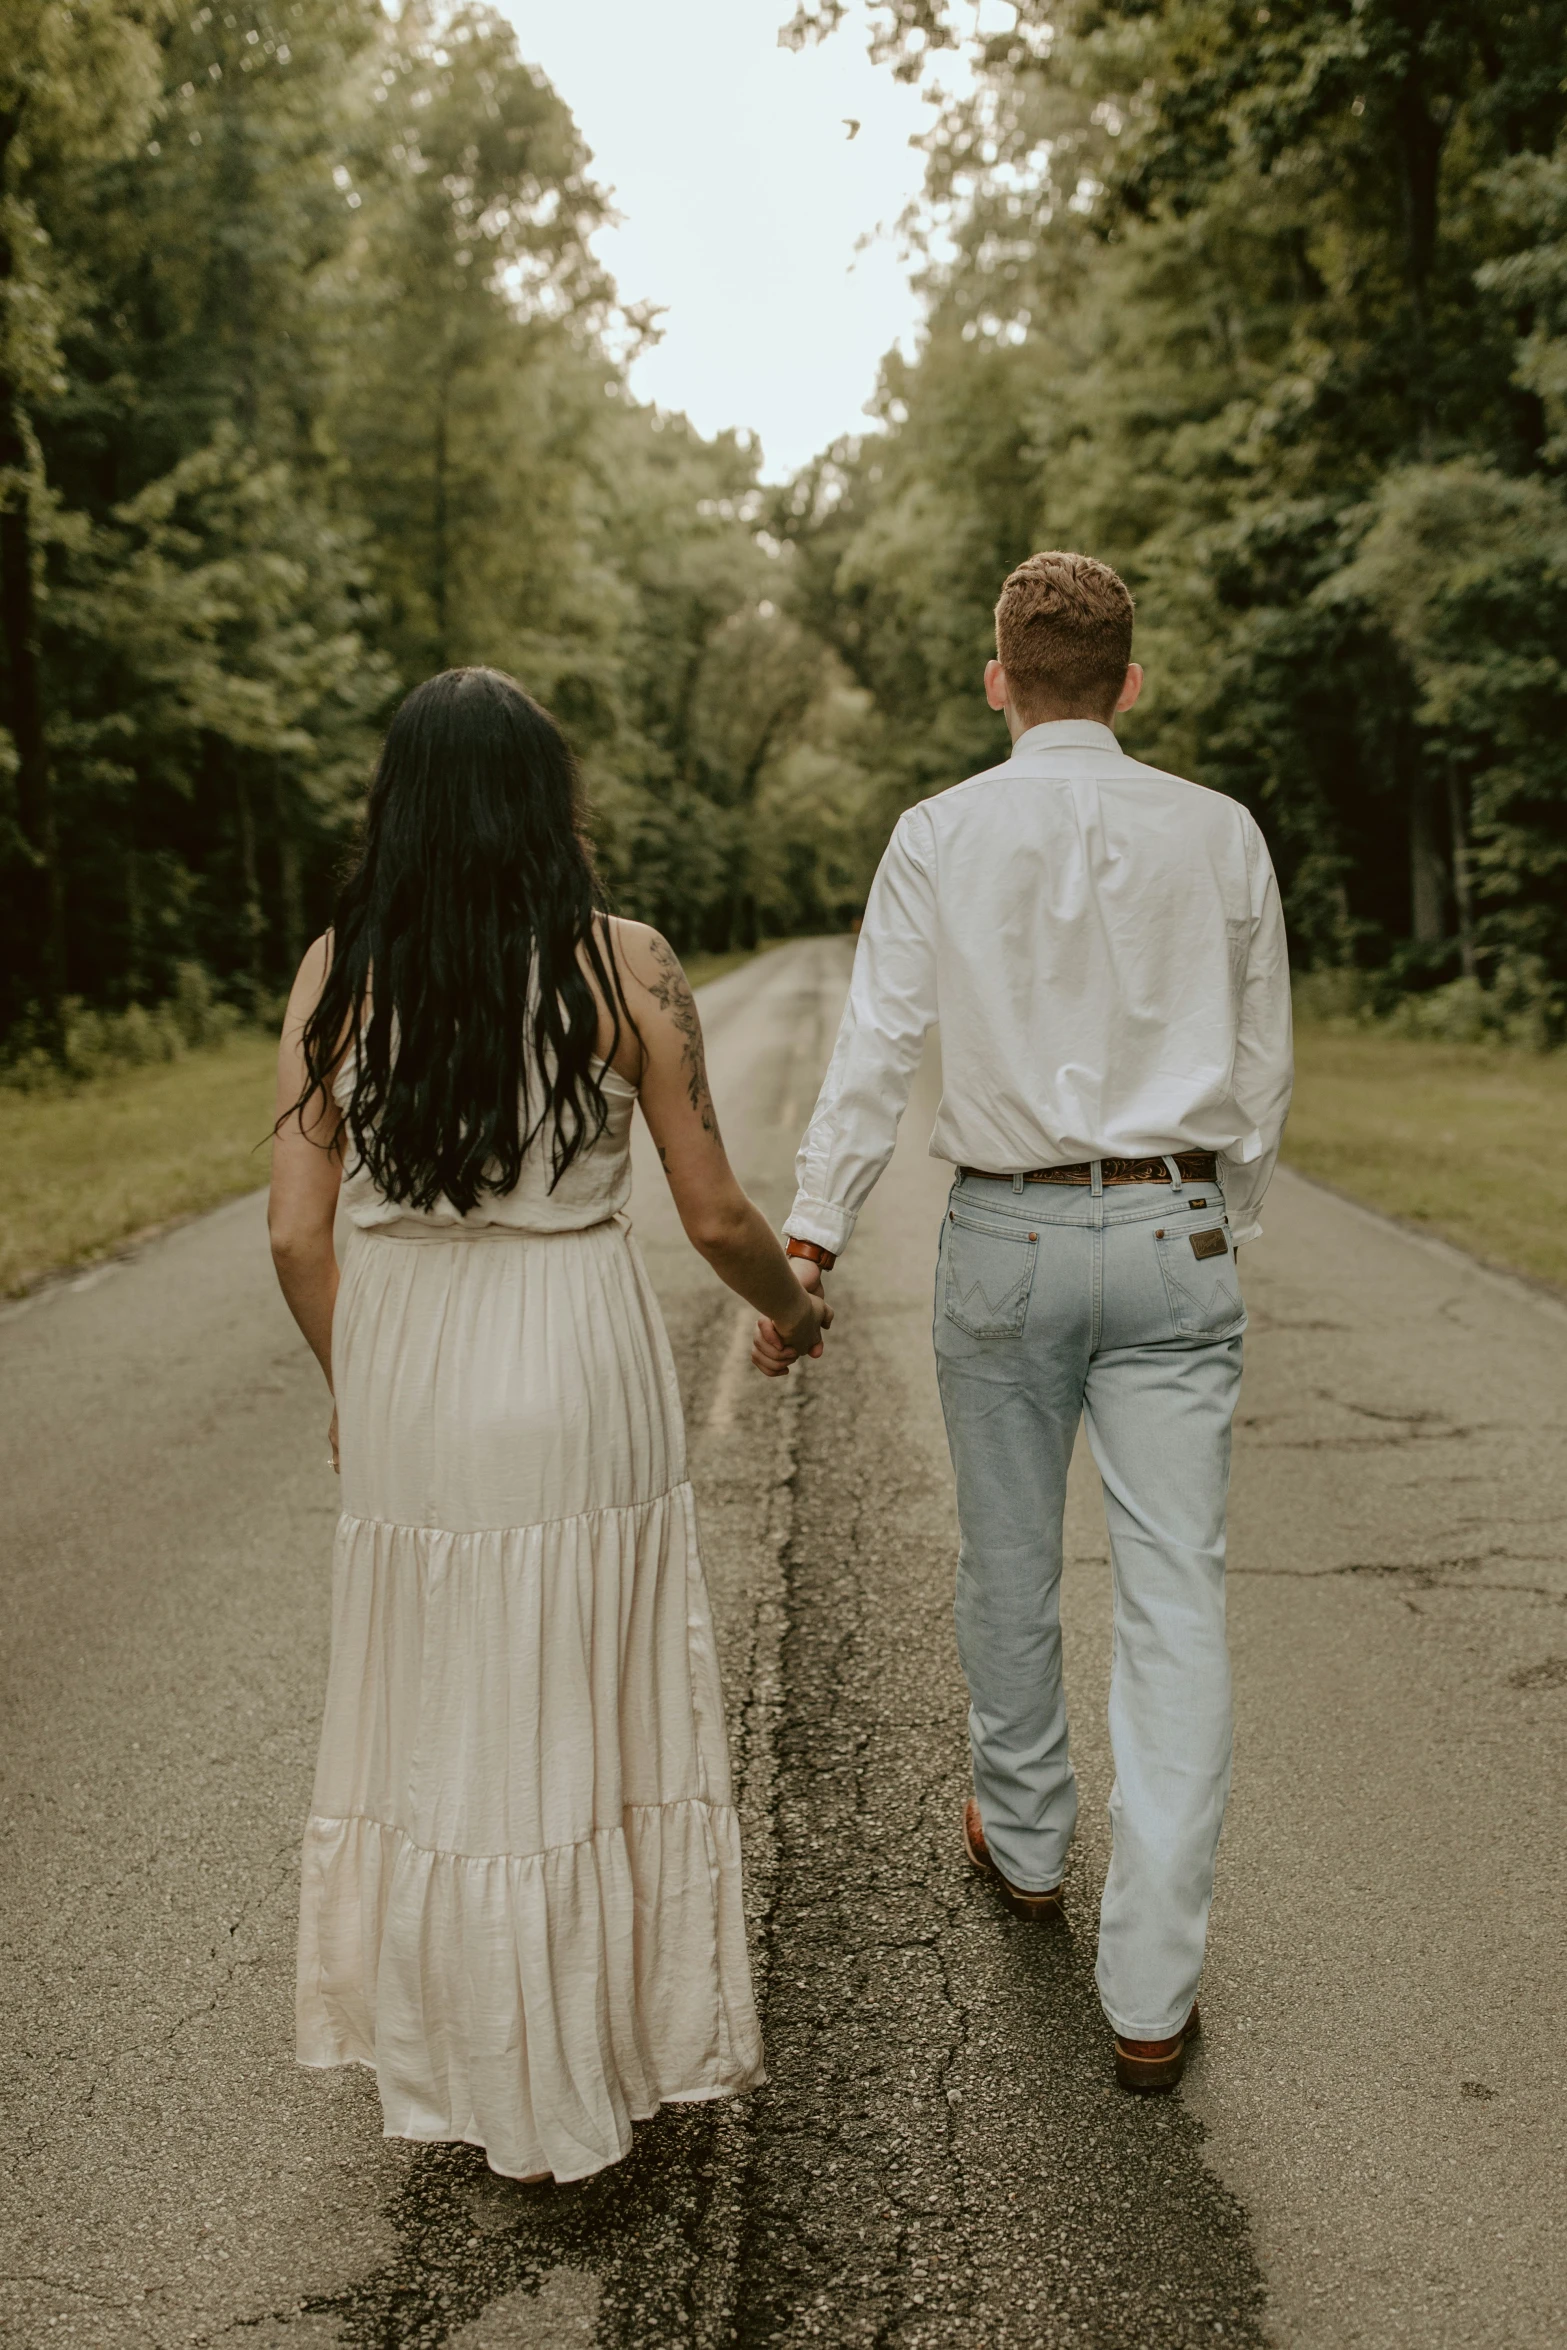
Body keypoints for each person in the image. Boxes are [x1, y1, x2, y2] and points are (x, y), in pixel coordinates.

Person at [268, 667, 829, 2182]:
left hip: (411, 1365)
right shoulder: (625, 964)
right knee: (587, 1680)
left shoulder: (338, 972)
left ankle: (462, 2054)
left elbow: (296, 1237)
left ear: (399, 801)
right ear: (545, 798)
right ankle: (591, 2050)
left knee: (442, 1699)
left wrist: (353, 1381)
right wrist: (796, 1304)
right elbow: (713, 1208)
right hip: (575, 1349)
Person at [755, 552, 1293, 2092]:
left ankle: (1031, 1837)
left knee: (1007, 1559)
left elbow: (876, 1043)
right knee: (1171, 1596)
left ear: (999, 678)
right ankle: (1148, 1990)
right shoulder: (1220, 830)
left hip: (1004, 1227)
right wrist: (1214, 1217)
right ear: (1130, 681)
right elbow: (1257, 1062)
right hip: (1175, 1226)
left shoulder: (939, 832)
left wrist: (815, 1228)